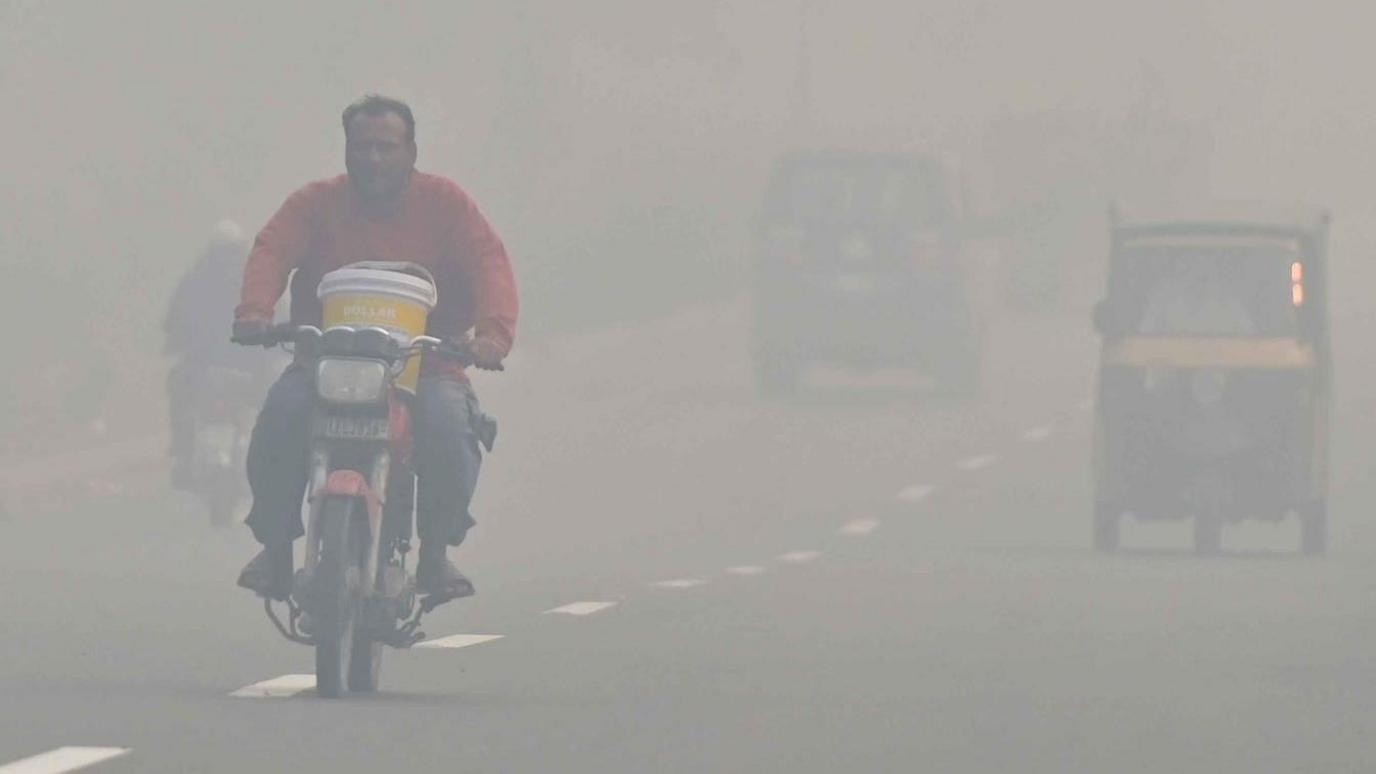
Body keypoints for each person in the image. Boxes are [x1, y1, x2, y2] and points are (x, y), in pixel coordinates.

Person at [232, 95, 518, 601]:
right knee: (281, 417)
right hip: (324, 360)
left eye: (386, 147)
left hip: (426, 363)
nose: (373, 159)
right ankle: (275, 550)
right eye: (361, 147)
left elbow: (487, 261)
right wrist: (254, 312)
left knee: (450, 429)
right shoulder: (315, 204)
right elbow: (272, 249)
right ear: (345, 151)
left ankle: (433, 555)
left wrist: (492, 335)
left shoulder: (447, 204)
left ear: (412, 151)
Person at [165, 220, 259, 488]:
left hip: (213, 365)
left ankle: (181, 453)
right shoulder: (253, 275)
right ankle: (182, 452)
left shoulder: (198, 277)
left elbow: (173, 318)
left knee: (179, 389)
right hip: (240, 365)